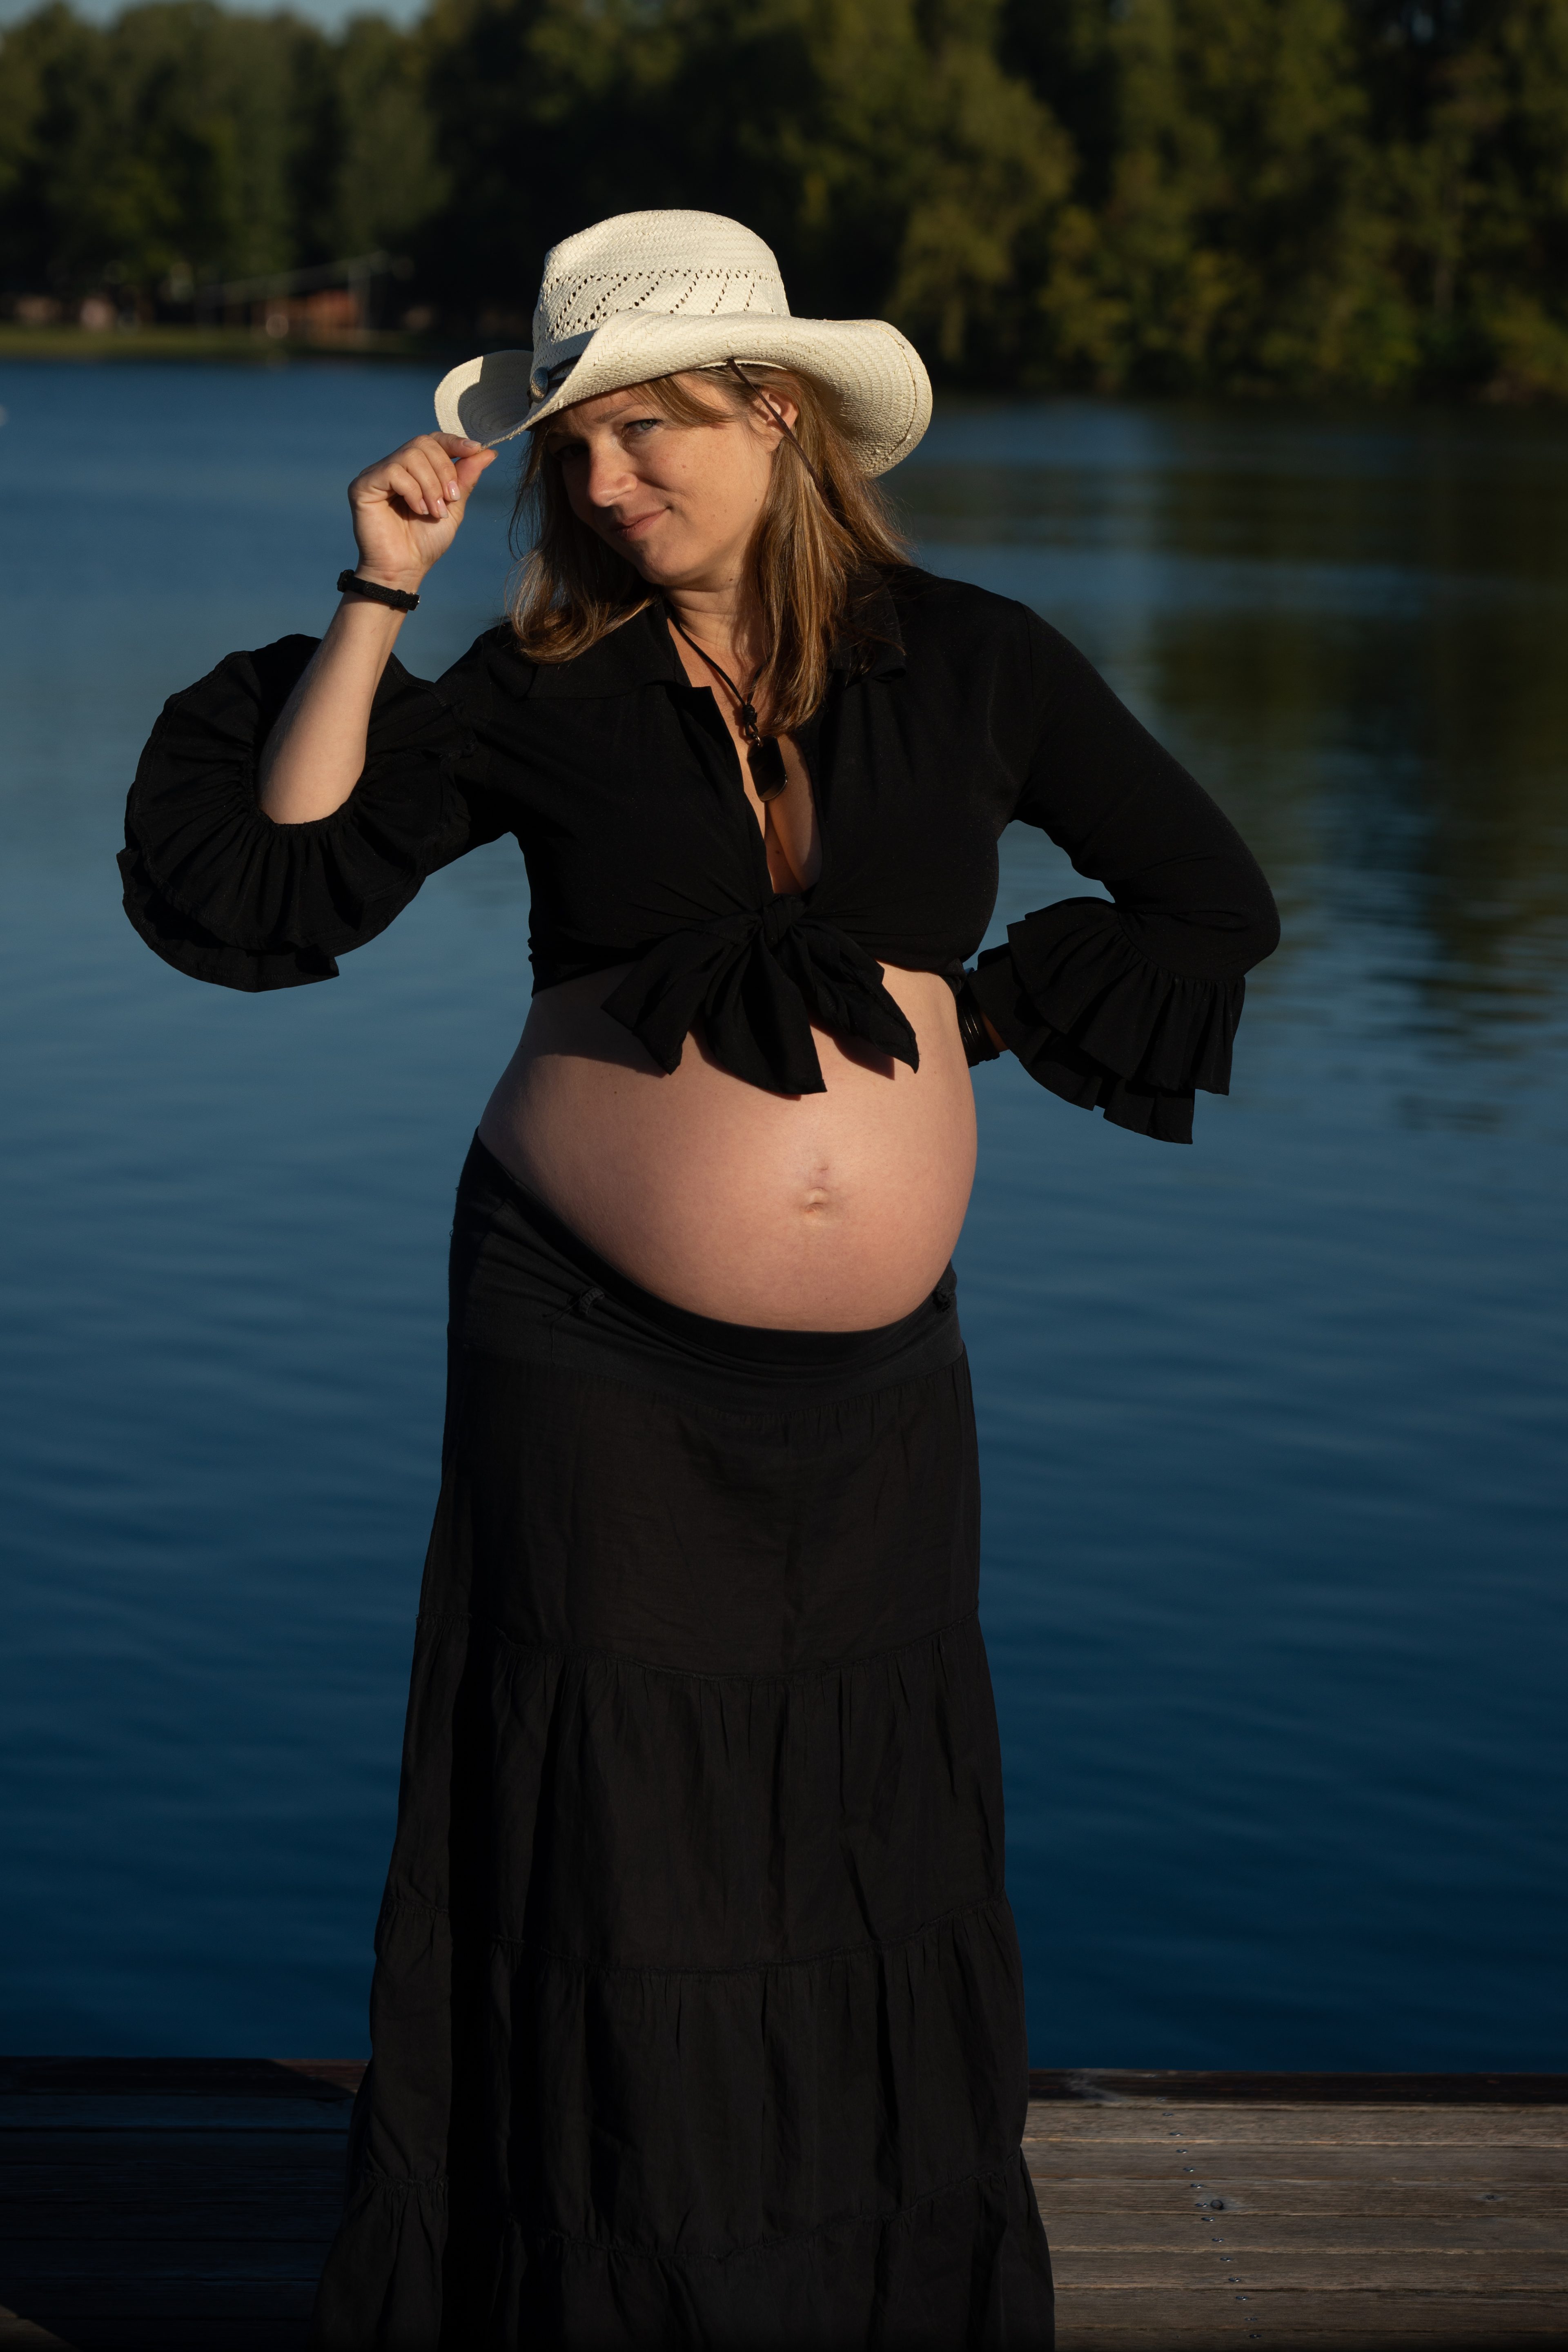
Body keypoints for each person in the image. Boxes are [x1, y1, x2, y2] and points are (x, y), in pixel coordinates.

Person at [120, 209, 1278, 2349]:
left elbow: (1209, 899)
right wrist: (380, 593)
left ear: (777, 414)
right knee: (615, 1844)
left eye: (648, 427)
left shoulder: (983, 662)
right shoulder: (549, 687)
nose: (605, 475)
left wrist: (952, 1025)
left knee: (861, 1829)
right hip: (580, 1333)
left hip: (876, 1386)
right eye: (576, 445)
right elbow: (281, 871)